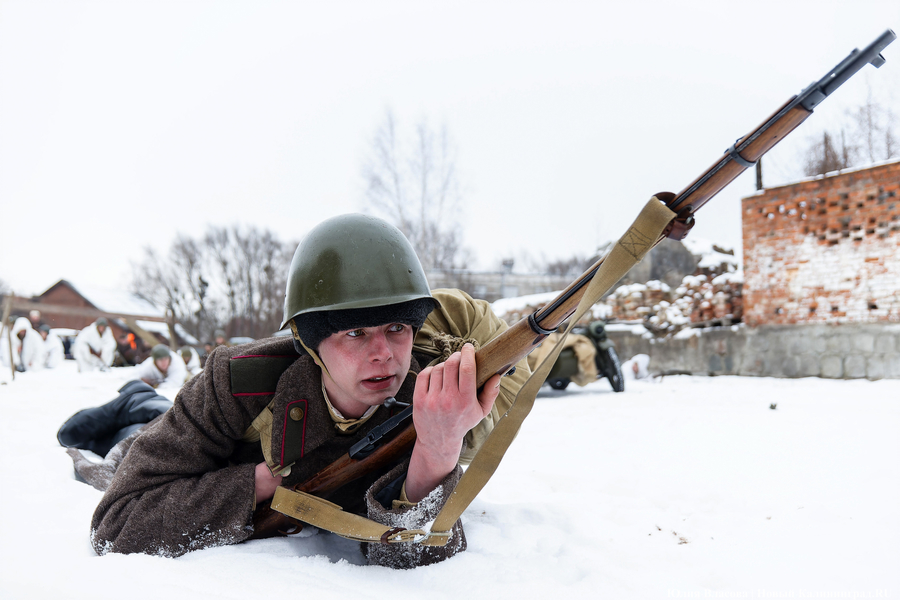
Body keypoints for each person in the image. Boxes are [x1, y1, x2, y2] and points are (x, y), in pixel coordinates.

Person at [87, 214, 530, 568]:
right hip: (164, 436)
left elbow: (413, 556)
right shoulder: (236, 383)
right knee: (135, 419)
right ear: (311, 343)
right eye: (355, 333)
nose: (384, 354)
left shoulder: (428, 405)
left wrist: (438, 449)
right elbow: (117, 524)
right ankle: (133, 397)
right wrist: (260, 483)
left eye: (397, 327)